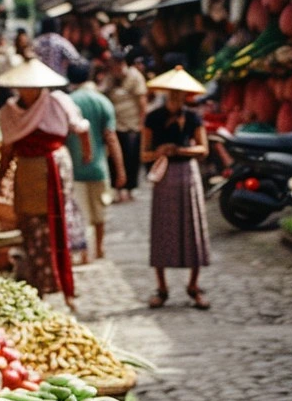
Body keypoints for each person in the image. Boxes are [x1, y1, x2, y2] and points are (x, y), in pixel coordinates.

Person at [0, 58, 91, 310]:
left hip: (54, 170)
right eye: (22, 87)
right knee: (31, 228)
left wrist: (86, 154)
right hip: (27, 172)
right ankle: (38, 288)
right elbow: (8, 149)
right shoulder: (9, 112)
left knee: (56, 225)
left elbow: (81, 129)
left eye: (31, 87)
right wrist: (0, 179)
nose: (27, 92)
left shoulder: (58, 103)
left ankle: (65, 287)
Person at [141, 66, 211, 310]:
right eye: (172, 93)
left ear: (185, 96)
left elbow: (203, 149)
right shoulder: (153, 117)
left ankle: (194, 285)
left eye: (179, 93)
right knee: (162, 230)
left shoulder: (193, 118)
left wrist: (180, 150)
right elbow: (144, 153)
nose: (175, 97)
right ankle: (162, 287)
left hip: (187, 175)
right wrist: (160, 152)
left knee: (192, 228)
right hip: (164, 175)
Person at [66, 59, 126, 262]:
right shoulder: (103, 102)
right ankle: (99, 248)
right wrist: (120, 169)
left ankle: (84, 253)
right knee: (100, 211)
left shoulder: (68, 102)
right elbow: (111, 137)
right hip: (99, 167)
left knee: (80, 212)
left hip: (74, 168)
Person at [102, 47, 148, 201]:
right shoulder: (110, 77)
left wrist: (142, 124)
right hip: (115, 124)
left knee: (131, 157)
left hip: (131, 124)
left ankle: (131, 187)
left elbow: (142, 102)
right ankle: (117, 187)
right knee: (114, 158)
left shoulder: (135, 77)